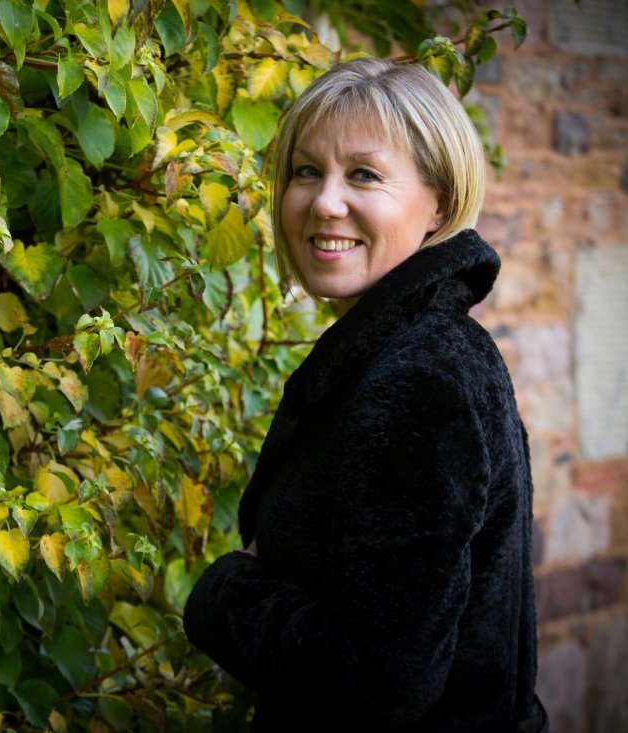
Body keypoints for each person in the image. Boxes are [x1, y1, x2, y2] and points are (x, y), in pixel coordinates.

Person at [183, 57, 547, 732]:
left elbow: (382, 679)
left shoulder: (419, 377)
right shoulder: (415, 349)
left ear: (439, 203)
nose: (325, 201)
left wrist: (224, 593)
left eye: (364, 174)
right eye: (305, 171)